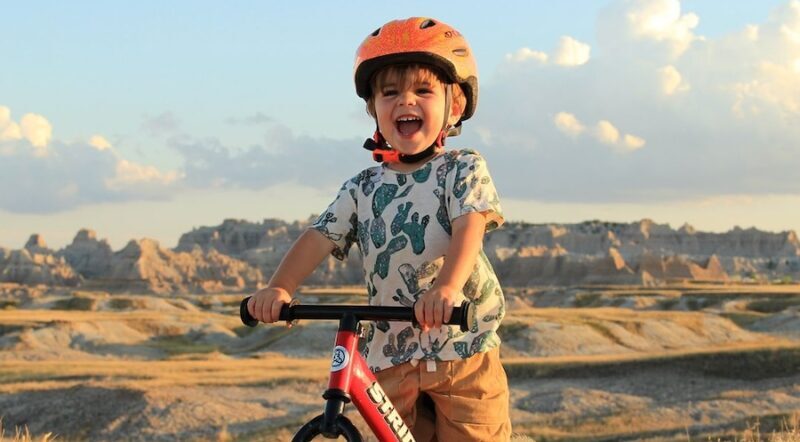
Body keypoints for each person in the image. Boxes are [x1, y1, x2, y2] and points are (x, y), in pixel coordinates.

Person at [247, 16, 511, 441]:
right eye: (390, 93)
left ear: (454, 106)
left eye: (423, 90)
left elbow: (469, 227)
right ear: (373, 108)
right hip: (391, 352)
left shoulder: (461, 169)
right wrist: (280, 288)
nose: (405, 101)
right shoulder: (363, 187)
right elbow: (320, 236)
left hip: (464, 346)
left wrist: (447, 288)